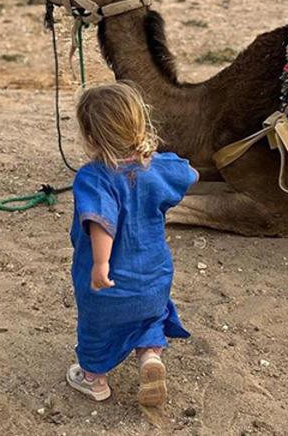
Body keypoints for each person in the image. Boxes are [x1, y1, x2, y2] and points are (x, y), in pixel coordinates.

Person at [66, 82, 197, 407]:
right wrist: (152, 160)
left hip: (109, 287)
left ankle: (93, 379)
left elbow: (101, 222)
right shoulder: (157, 168)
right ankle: (150, 358)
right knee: (149, 320)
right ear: (140, 125)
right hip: (154, 279)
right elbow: (189, 172)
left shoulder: (94, 177)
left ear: (92, 138)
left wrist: (101, 265)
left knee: (97, 327)